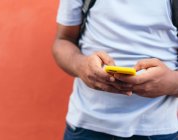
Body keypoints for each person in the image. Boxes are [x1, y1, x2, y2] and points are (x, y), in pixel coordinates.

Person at [52, 0, 178, 140]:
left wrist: (172, 83)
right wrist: (81, 66)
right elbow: (63, 40)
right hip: (86, 126)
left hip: (158, 130)